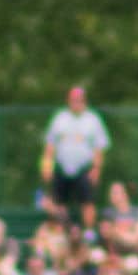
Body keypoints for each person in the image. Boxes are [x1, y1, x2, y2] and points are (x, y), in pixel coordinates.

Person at [41, 86, 109, 232]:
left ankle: (89, 232)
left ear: (84, 101)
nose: (76, 103)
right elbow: (50, 146)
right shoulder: (59, 118)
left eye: (79, 100)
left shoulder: (93, 120)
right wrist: (46, 167)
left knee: (87, 202)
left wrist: (96, 169)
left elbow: (99, 147)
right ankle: (63, 230)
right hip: (61, 168)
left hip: (84, 169)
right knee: (58, 202)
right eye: (73, 100)